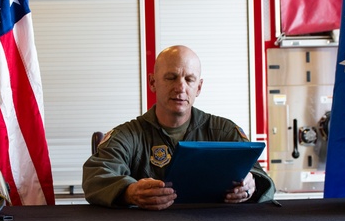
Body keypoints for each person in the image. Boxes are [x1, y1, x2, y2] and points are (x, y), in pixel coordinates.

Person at [83, 45, 274, 209]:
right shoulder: (128, 136)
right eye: (171, 77)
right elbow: (95, 176)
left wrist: (252, 184)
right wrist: (128, 191)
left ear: (198, 88)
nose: (180, 88)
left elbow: (261, 177)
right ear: (152, 82)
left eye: (189, 79)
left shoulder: (224, 132)